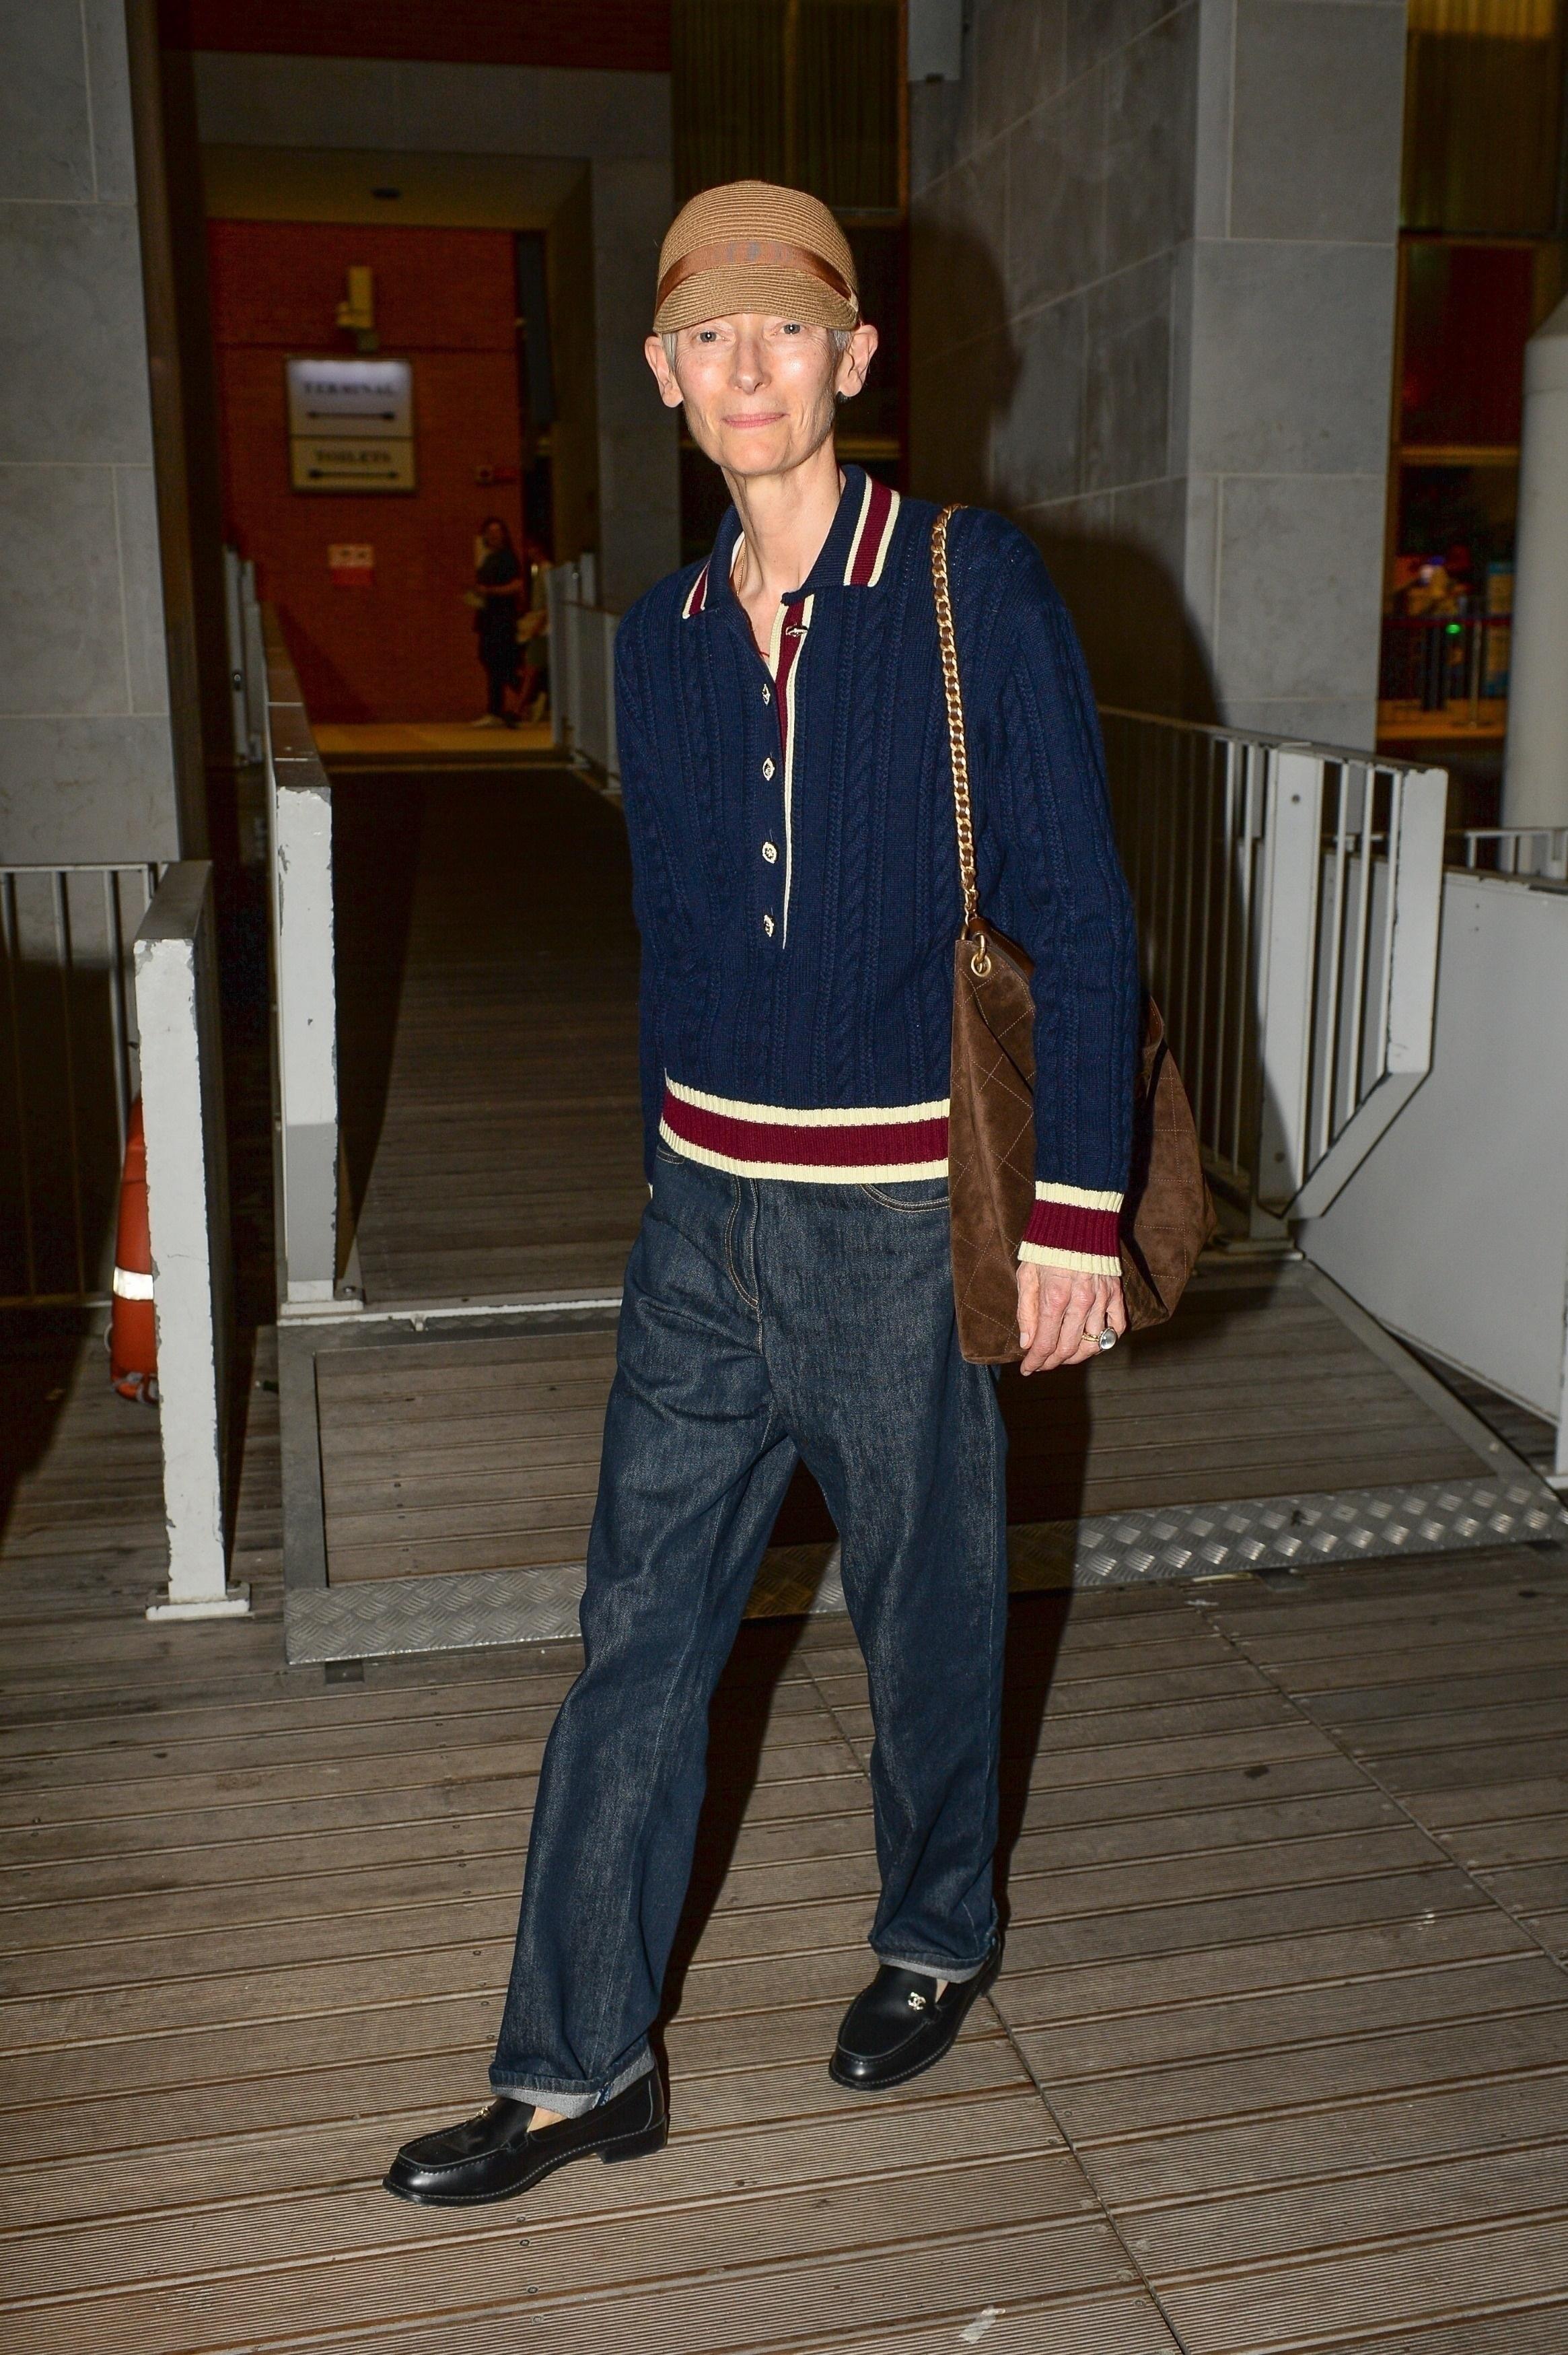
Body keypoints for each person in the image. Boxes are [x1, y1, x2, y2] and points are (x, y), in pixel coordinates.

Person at [386, 180, 1139, 2208]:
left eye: (782, 329)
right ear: (661, 372)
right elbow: (676, 939)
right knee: (632, 1633)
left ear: (849, 356)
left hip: (900, 1223)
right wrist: (666, 1176)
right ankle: (571, 2066)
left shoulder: (970, 586)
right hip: (702, 1226)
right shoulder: (656, 641)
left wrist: (1071, 1212)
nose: (745, 367)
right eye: (706, 336)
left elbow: (1076, 911)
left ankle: (937, 1927)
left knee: (926, 1610)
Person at [470, 516, 524, 726]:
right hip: (488, 617)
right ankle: (520, 696)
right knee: (489, 659)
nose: (493, 536)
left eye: (497, 532)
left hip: (502, 618)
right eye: (489, 533)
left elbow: (517, 586)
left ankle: (502, 705)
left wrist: (491, 591)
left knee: (497, 661)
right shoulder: (488, 558)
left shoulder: (508, 558)